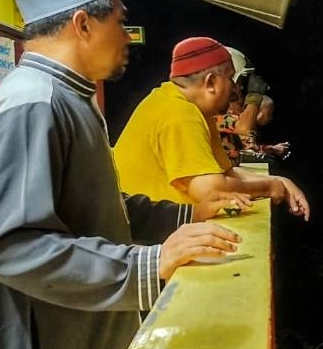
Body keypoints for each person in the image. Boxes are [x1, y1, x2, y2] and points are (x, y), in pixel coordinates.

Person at [0, 0, 247, 349]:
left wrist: (184, 219)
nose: (126, 37)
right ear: (83, 24)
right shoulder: (33, 103)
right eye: (118, 21)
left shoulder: (71, 98)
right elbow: (9, 243)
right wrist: (149, 263)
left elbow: (97, 205)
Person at [112, 36, 310, 219]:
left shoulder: (193, 109)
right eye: (231, 79)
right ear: (211, 82)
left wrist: (280, 181)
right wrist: (269, 187)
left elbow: (226, 174)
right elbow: (211, 190)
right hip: (146, 239)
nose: (235, 89)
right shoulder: (179, 113)